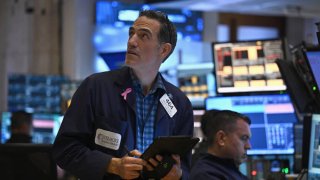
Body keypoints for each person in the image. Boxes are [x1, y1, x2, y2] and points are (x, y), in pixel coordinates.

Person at [52, 10, 194, 180]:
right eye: (131, 33)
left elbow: (186, 166)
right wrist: (112, 165)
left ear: (163, 50)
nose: (131, 42)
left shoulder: (179, 103)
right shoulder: (96, 87)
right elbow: (65, 149)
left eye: (143, 36)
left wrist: (178, 175)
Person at [190, 110, 251, 180]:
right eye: (244, 138)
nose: (248, 146)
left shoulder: (226, 168)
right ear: (221, 138)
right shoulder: (206, 175)